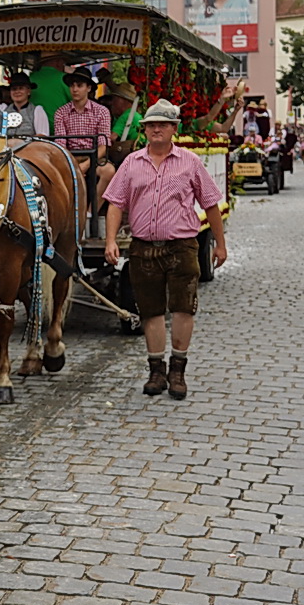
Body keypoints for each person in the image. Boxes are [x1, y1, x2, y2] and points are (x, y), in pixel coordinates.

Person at [102, 99, 227, 399]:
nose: (156, 129)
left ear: (173, 129)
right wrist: (109, 240)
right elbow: (116, 204)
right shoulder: (132, 163)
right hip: (144, 247)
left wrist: (220, 245)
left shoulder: (190, 162)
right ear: (144, 130)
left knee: (184, 307)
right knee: (151, 310)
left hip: (182, 246)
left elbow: (210, 203)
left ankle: (178, 369)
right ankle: (156, 370)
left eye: (162, 124)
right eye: (150, 125)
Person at [53, 68, 109, 234]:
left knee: (108, 172)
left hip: (94, 157)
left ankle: (89, 213)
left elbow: (103, 146)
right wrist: (73, 164)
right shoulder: (61, 112)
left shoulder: (101, 111)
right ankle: (62, 217)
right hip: (70, 157)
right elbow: (61, 145)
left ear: (89, 88)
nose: (75, 89)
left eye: (79, 85)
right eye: (72, 85)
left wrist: (85, 165)